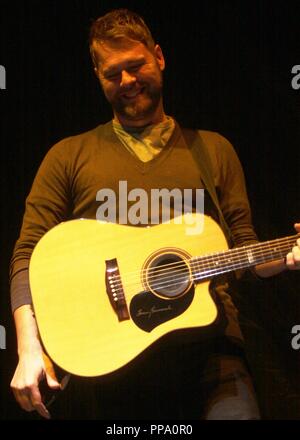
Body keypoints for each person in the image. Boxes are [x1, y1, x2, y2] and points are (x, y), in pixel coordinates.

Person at [9, 9, 300, 420]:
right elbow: (26, 254)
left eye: (135, 65)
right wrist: (28, 348)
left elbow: (246, 252)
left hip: (211, 357)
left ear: (159, 57)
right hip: (109, 363)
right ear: (98, 76)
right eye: (113, 73)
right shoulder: (68, 156)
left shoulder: (213, 151)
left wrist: (287, 255)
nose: (127, 81)